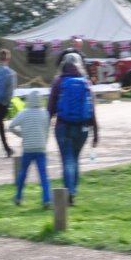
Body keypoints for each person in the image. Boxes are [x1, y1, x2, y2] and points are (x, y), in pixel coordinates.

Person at [48, 54, 99, 204]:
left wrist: (44, 127)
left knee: (67, 160)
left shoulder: (59, 82)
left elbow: (50, 107)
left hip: (63, 126)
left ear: (63, 64)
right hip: (82, 128)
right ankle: (73, 192)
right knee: (75, 160)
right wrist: (96, 133)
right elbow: (92, 110)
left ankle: (69, 191)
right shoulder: (86, 83)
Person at [9, 91, 52, 207]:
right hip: (41, 149)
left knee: (23, 174)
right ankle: (47, 199)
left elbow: (11, 126)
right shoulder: (45, 114)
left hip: (27, 148)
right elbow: (46, 131)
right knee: (43, 175)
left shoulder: (24, 114)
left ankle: (18, 196)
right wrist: (44, 142)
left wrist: (22, 134)